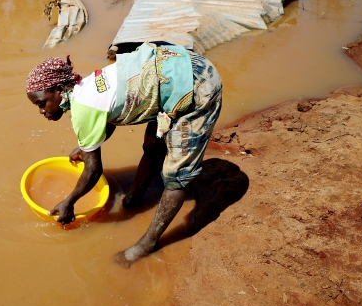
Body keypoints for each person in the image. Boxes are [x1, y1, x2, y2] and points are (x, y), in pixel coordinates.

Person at [25, 43, 222, 266]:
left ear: (59, 90)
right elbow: (111, 113)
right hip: (173, 66)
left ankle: (146, 244)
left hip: (196, 86)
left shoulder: (82, 110)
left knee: (176, 177)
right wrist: (85, 147)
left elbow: (93, 171)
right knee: (154, 145)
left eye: (42, 103)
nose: (42, 110)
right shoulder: (85, 84)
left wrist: (69, 202)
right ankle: (133, 199)